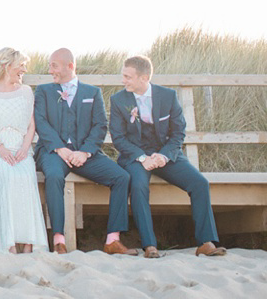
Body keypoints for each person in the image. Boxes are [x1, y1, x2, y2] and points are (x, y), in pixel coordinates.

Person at [109, 55, 226, 258]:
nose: (123, 80)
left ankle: (205, 242)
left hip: (165, 153)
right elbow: (119, 139)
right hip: (135, 155)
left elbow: (178, 132)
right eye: (123, 76)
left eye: (128, 76)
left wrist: (163, 156)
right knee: (138, 185)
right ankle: (149, 245)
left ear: (144, 78)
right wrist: (142, 158)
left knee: (199, 183)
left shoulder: (168, 96)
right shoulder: (119, 100)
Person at [34, 49, 136, 255]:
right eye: (50, 65)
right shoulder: (43, 91)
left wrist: (86, 152)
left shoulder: (92, 92)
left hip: (84, 154)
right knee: (53, 176)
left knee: (121, 177)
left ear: (70, 66)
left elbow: (100, 125)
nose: (50, 69)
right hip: (54, 152)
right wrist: (59, 148)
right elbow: (41, 122)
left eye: (54, 65)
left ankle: (112, 239)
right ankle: (58, 239)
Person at [0, 48, 48, 253]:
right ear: (7, 66)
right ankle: (8, 242)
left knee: (26, 178)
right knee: (7, 178)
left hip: (22, 148)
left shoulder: (26, 91)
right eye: (21, 66)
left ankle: (29, 242)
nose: (24, 70)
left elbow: (32, 124)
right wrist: (0, 148)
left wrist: (25, 148)